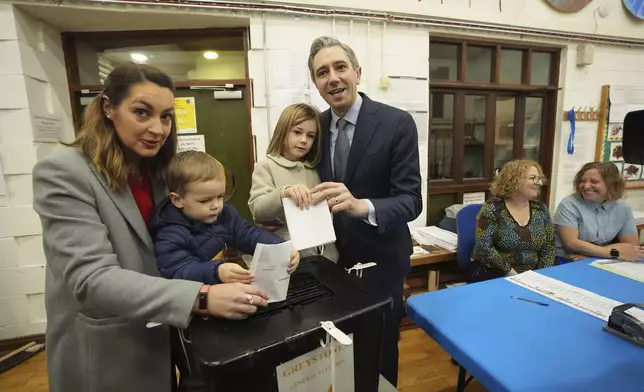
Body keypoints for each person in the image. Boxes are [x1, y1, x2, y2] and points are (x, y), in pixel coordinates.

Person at [32, 62, 270, 392]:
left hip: (162, 337)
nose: (158, 128)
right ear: (107, 108)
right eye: (142, 112)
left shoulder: (158, 172)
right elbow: (90, 279)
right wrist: (202, 296)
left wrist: (219, 267)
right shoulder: (63, 172)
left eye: (166, 116)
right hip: (110, 348)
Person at [306, 36, 422, 386]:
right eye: (322, 72)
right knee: (335, 345)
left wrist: (362, 206)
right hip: (330, 258)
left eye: (340, 67)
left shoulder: (396, 123)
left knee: (379, 345)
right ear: (316, 83)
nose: (333, 78)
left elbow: (412, 200)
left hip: (380, 259)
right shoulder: (315, 128)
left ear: (357, 72)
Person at [150, 150, 299, 391]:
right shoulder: (169, 232)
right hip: (191, 319)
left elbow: (247, 234)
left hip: (225, 304)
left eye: (220, 196)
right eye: (205, 200)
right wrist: (216, 271)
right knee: (202, 376)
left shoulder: (224, 213)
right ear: (177, 199)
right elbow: (176, 271)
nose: (216, 206)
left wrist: (281, 247)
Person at [248, 103, 339, 262]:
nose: (304, 140)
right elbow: (258, 209)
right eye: (297, 132)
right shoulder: (266, 166)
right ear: (283, 131)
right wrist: (283, 193)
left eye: (311, 136)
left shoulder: (315, 169)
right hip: (287, 259)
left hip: (323, 257)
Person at [470, 160, 556, 282]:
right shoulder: (493, 208)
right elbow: (484, 247)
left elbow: (549, 247)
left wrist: (541, 276)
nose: (539, 183)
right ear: (513, 180)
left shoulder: (540, 209)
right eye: (532, 178)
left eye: (539, 178)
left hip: (533, 276)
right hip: (495, 273)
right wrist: (514, 275)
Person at [554, 162, 644, 262]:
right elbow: (572, 243)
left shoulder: (623, 207)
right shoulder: (569, 204)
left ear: (611, 184)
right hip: (569, 260)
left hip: (601, 259)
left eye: (594, 181)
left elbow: (631, 246)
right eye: (583, 181)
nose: (586, 186)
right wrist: (612, 253)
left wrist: (595, 255)